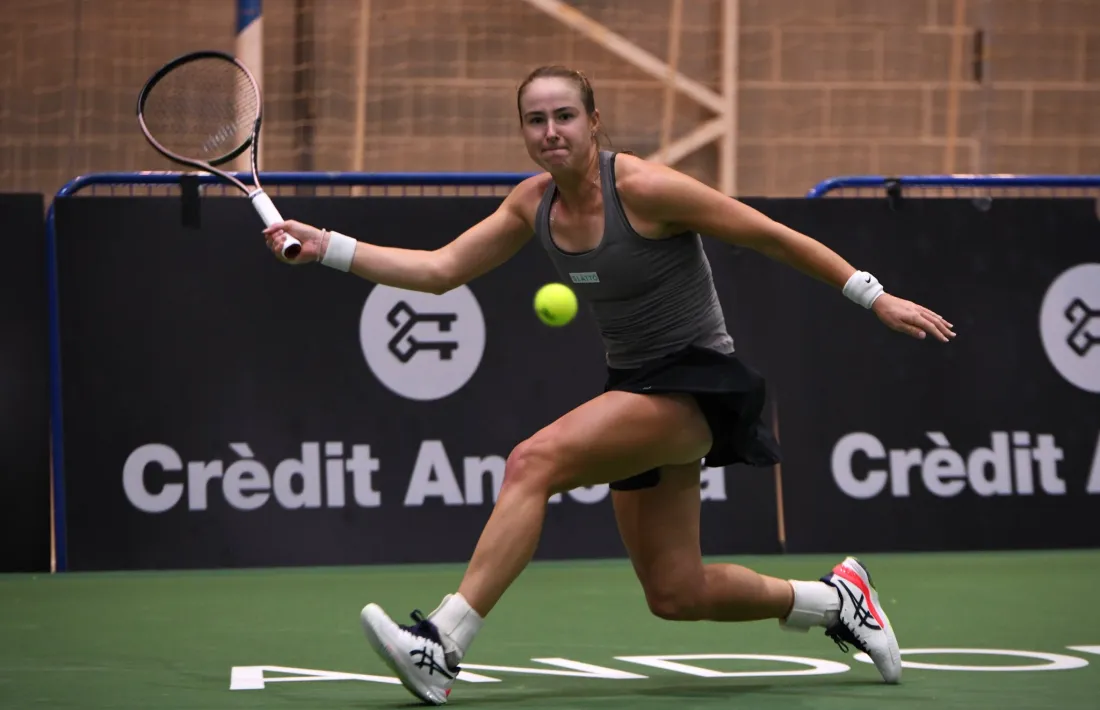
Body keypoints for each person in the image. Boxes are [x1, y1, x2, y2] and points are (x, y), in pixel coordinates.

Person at [262, 65, 955, 705]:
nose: (551, 131)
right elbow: (441, 271)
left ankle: (443, 642)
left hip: (698, 385)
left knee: (533, 462)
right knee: (675, 592)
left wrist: (873, 295)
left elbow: (770, 235)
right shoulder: (531, 205)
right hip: (636, 382)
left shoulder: (647, 190)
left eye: (565, 115)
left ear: (594, 121)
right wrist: (328, 247)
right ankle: (838, 601)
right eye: (536, 120)